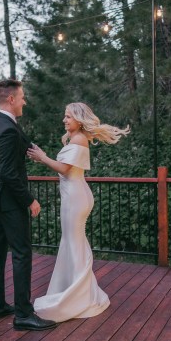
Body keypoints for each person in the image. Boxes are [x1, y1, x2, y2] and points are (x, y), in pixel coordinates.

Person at [27, 102, 130, 323]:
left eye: (68, 117)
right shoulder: (76, 139)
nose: (64, 120)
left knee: (73, 243)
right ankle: (74, 291)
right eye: (64, 116)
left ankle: (77, 297)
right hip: (73, 196)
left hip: (75, 198)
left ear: (79, 120)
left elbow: (65, 169)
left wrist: (42, 157)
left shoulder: (79, 139)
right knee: (72, 242)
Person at [0, 79, 56, 331]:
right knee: (21, 253)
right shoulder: (6, 129)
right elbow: (7, 172)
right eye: (23, 97)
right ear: (12, 99)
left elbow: (19, 145)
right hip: (10, 201)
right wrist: (30, 199)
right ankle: (24, 314)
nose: (25, 101)